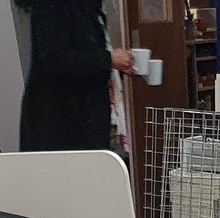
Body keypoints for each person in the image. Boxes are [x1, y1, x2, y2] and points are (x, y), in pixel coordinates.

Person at [16, 0, 137, 153]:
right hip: (60, 119)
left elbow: (88, 55)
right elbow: (55, 60)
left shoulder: (90, 9)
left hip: (90, 118)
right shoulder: (50, 6)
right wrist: (109, 60)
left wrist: (115, 66)